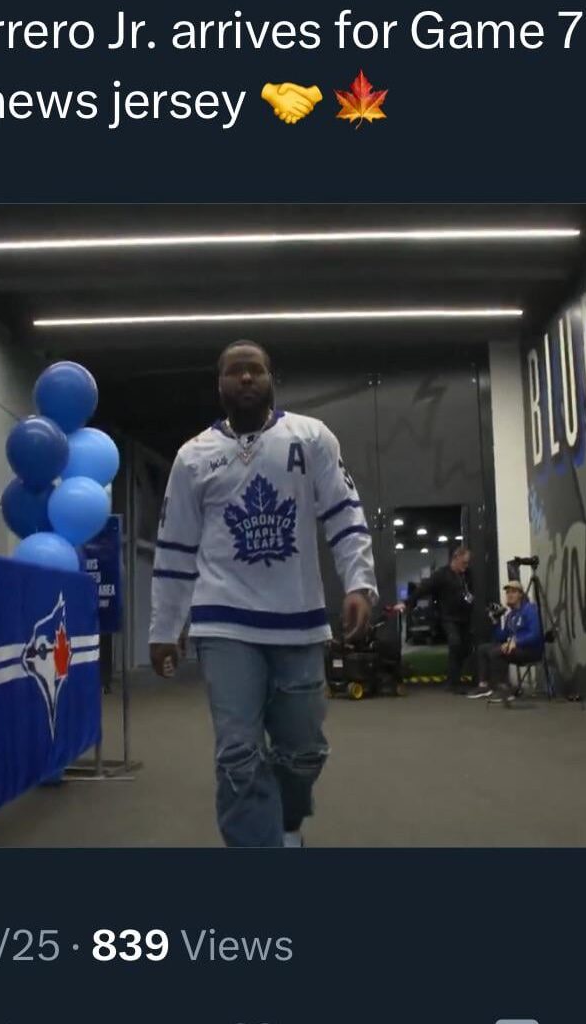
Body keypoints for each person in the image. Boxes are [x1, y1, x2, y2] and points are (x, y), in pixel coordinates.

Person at [149, 340, 377, 849]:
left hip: (297, 618)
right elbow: (175, 548)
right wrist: (165, 628)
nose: (246, 378)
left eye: (255, 370)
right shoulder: (193, 457)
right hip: (223, 621)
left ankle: (285, 823)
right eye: (235, 372)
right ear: (220, 385)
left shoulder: (311, 437)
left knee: (305, 752)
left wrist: (359, 581)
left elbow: (343, 513)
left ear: (272, 379)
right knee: (237, 753)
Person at [398, 547, 474, 690]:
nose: (466, 566)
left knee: (466, 648)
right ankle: (453, 682)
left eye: (467, 563)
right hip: (448, 618)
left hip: (464, 617)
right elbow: (423, 588)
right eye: (464, 563)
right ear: (455, 558)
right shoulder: (442, 575)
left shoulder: (467, 575)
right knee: (455, 643)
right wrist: (407, 602)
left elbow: (471, 592)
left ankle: (454, 675)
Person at [468, 580, 544, 703]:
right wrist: (495, 622)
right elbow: (501, 637)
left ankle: (504, 689)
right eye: (508, 592)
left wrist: (516, 642)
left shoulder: (530, 610)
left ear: (521, 595)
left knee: (498, 652)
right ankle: (484, 686)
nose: (509, 595)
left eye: (513, 592)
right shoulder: (511, 615)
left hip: (531, 650)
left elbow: (535, 634)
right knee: (483, 649)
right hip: (515, 648)